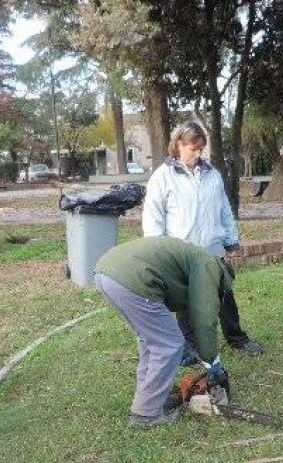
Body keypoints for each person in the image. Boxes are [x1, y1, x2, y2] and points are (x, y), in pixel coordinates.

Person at [142, 120, 263, 359]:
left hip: (212, 251)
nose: (197, 155)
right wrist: (158, 251)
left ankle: (237, 337)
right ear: (178, 145)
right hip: (181, 254)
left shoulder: (213, 175)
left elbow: (224, 211)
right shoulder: (162, 177)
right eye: (192, 149)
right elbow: (153, 217)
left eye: (200, 149)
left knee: (225, 297)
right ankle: (190, 347)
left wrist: (231, 241)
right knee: (186, 303)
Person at [94, 236, 233, 427]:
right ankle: (146, 416)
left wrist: (193, 348)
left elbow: (188, 313)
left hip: (107, 272)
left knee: (150, 343)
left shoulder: (195, 259)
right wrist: (212, 365)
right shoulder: (210, 266)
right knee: (168, 345)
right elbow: (204, 319)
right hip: (132, 277)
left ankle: (152, 399)